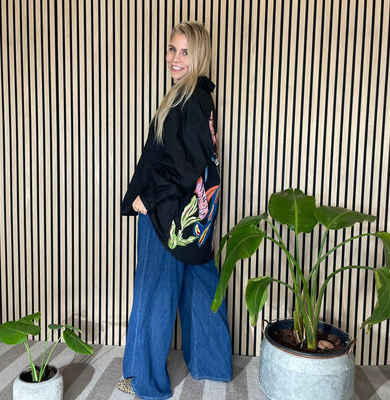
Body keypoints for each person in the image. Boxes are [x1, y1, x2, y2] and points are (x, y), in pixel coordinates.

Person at [117, 21, 232, 400]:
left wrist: (147, 199)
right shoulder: (199, 97)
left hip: (169, 216)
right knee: (202, 287)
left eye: (184, 52)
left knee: (153, 293)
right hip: (197, 217)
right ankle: (213, 365)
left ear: (199, 56)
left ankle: (144, 382)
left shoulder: (187, 101)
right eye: (171, 49)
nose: (175, 58)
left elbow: (184, 165)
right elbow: (199, 161)